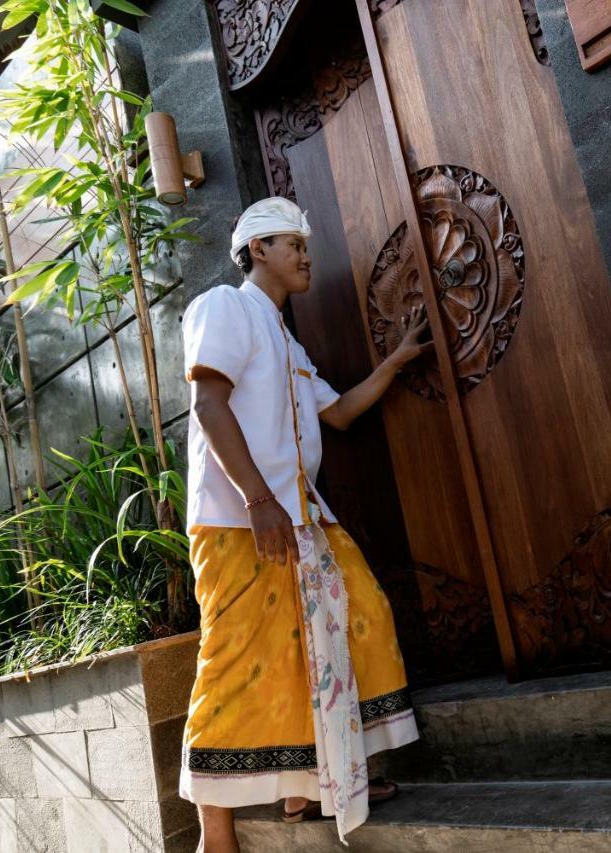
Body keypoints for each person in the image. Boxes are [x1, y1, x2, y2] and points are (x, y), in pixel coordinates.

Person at [178, 197, 431, 852]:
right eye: (293, 241)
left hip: (301, 517)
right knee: (235, 658)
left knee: (359, 617)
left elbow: (339, 412)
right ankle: (215, 834)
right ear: (258, 249)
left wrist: (396, 361)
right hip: (238, 518)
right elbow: (208, 401)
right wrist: (258, 500)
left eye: (306, 244)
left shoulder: (286, 339)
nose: (306, 253)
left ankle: (318, 779)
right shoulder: (224, 308)